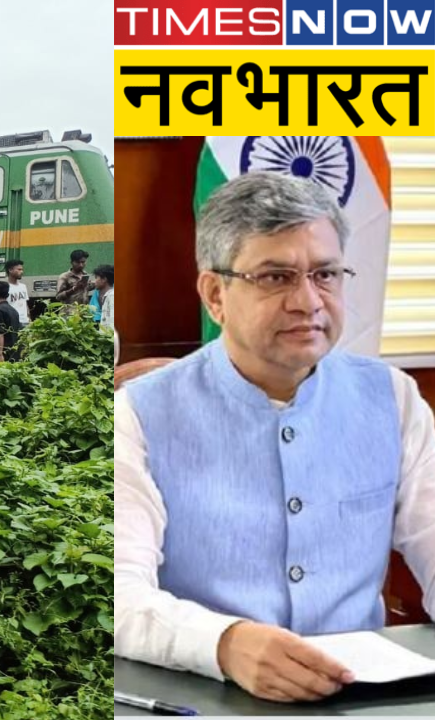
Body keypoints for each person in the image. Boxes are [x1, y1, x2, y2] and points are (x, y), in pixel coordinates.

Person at [115, 172, 435, 704]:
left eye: (326, 274)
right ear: (215, 294)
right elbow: (119, 594)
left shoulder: (392, 398)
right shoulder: (139, 415)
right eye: (276, 277)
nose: (308, 300)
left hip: (366, 699)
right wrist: (224, 643)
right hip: (201, 695)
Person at [0, 282, 22, 362]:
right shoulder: (14, 310)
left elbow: (0, 333)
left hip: (5, 352)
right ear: (7, 295)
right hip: (15, 352)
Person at [5, 260, 31, 325]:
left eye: (22, 269)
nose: (22, 272)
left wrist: (29, 319)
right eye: (19, 269)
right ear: (10, 270)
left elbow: (25, 304)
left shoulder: (23, 286)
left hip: (25, 321)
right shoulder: (6, 288)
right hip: (13, 322)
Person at [94, 265, 114, 331]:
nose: (94, 281)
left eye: (96, 277)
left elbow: (112, 322)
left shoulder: (112, 296)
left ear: (104, 279)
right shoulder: (107, 296)